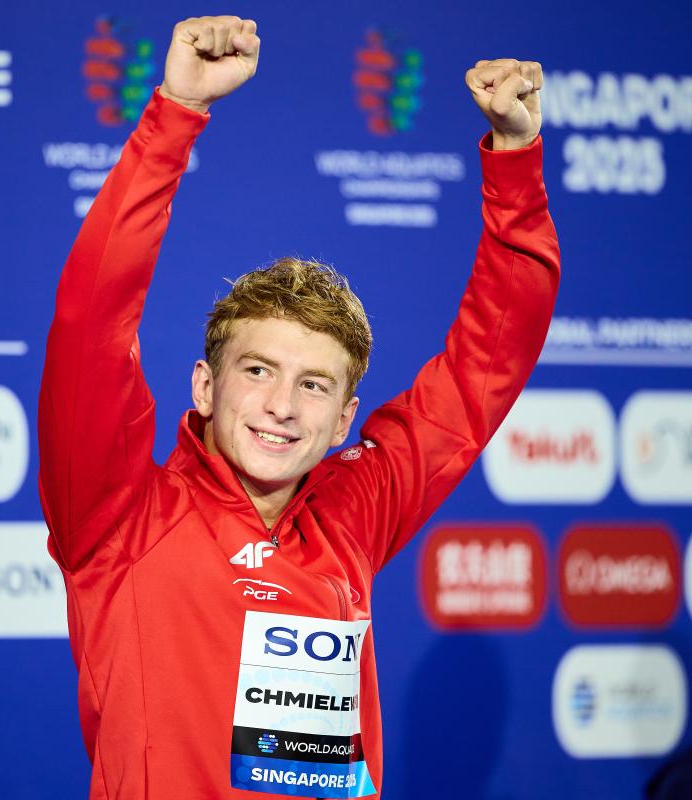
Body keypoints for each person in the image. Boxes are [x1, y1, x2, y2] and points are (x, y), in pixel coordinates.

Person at [38, 15, 558, 800]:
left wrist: (515, 163)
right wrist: (175, 115)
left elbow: (487, 366)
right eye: (258, 371)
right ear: (205, 386)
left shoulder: (356, 509)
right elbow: (92, 319)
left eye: (314, 384)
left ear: (344, 418)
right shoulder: (117, 517)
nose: (282, 406)